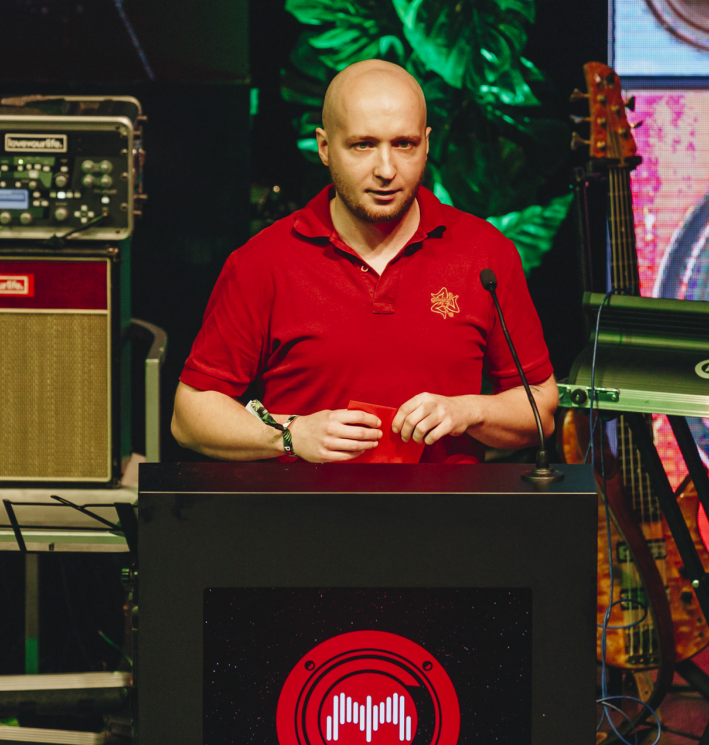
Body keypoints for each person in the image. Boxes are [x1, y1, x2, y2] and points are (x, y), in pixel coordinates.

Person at [171, 59, 558, 463]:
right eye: (363, 145)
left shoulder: (485, 253)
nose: (386, 170)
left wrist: (468, 411)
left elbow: (540, 408)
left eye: (404, 144)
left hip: (446, 504)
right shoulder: (263, 261)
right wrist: (289, 435)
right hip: (305, 504)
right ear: (324, 147)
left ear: (427, 144)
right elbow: (190, 416)